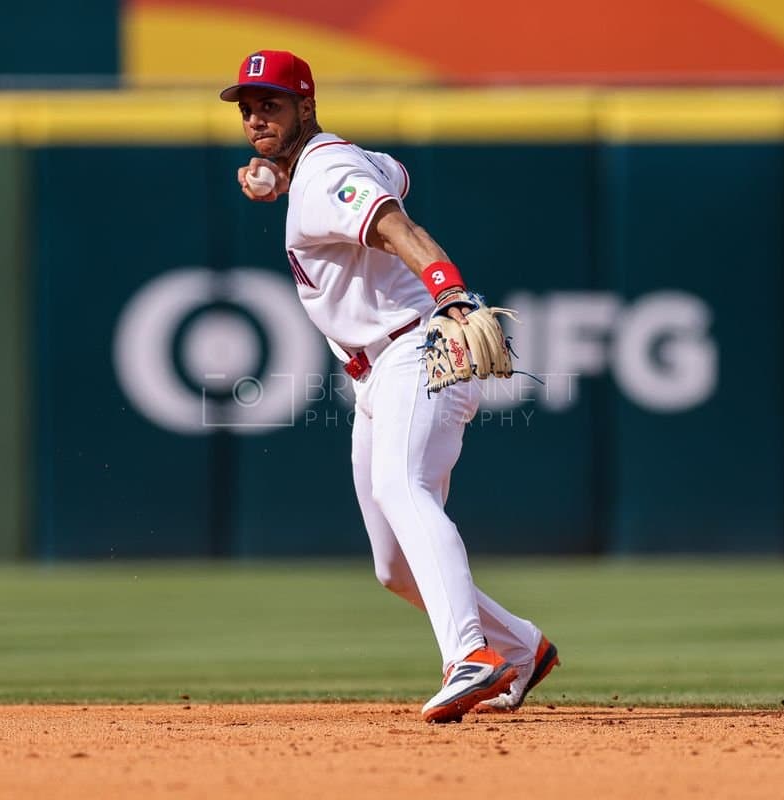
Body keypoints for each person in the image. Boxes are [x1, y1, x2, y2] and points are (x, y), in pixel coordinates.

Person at [221, 50, 558, 723]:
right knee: (393, 569)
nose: (258, 114)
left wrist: (452, 293)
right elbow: (392, 176)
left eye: (273, 103)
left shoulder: (328, 173)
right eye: (249, 105)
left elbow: (396, 226)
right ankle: (521, 647)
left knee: (401, 488)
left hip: (418, 349)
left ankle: (470, 656)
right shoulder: (334, 164)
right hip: (377, 373)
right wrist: (279, 178)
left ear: (305, 105)